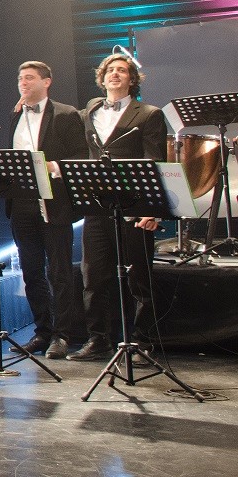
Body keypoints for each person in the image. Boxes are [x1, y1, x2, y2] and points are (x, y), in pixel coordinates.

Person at [67, 53, 169, 362]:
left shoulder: (149, 114)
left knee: (139, 277)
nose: (115, 74)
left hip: (134, 207)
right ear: (102, 77)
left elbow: (156, 162)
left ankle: (143, 343)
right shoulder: (89, 112)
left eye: (122, 70)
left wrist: (152, 209)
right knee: (93, 277)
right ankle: (99, 340)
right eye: (110, 70)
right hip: (98, 206)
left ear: (131, 79)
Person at [8, 61, 89, 359]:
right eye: (20, 78)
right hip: (22, 204)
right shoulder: (16, 114)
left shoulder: (66, 114)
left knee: (59, 272)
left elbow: (81, 156)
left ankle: (63, 335)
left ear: (47, 82)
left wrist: (51, 167)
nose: (23, 83)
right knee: (31, 272)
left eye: (29, 78)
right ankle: (42, 331)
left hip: (54, 202)